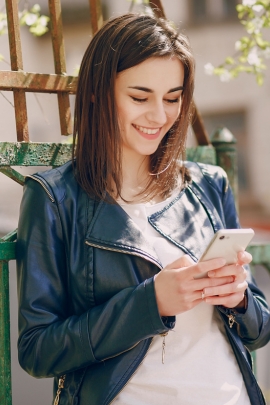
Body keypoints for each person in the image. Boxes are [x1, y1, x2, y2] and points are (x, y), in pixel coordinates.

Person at [16, 13, 270, 405]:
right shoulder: (54, 198)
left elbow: (260, 327)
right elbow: (38, 350)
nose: (159, 116)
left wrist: (239, 298)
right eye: (139, 97)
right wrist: (149, 303)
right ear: (99, 92)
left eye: (173, 97)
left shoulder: (208, 185)